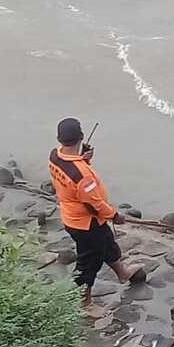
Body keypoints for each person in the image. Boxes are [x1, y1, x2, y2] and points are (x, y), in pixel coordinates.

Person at [48, 118, 144, 311]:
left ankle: (123, 273)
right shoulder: (82, 175)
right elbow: (95, 204)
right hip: (86, 224)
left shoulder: (55, 155)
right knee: (89, 263)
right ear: (81, 136)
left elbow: (71, 173)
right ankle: (85, 304)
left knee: (107, 242)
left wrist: (83, 159)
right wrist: (115, 216)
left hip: (71, 215)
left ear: (59, 139)